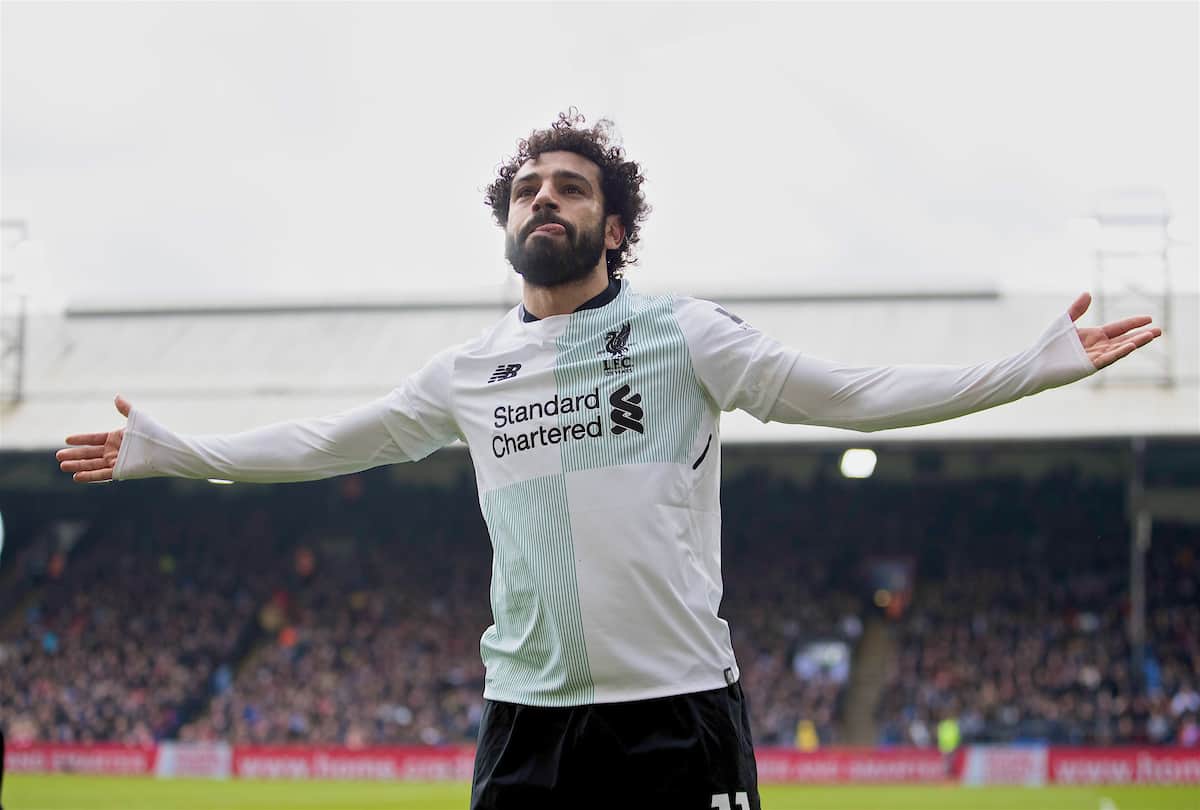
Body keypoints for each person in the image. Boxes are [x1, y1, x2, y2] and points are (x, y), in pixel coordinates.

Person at [56, 110, 1161, 809]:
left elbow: (861, 398)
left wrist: (1035, 366)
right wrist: (168, 450)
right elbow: (319, 442)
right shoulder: (468, 371)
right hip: (527, 721)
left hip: (676, 715)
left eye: (572, 187)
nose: (546, 198)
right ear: (507, 222)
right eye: (530, 188)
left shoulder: (688, 337)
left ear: (615, 228)